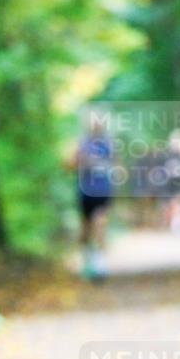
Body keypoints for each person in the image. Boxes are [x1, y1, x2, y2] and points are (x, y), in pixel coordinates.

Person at [74, 116, 112, 281]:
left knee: (100, 222)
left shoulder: (108, 144)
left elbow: (117, 164)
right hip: (85, 191)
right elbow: (69, 164)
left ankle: (100, 263)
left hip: (103, 190)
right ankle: (86, 261)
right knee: (86, 228)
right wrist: (79, 160)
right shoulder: (81, 143)